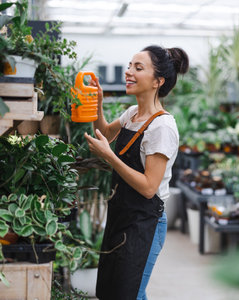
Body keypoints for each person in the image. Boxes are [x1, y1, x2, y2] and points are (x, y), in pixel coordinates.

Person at [84, 45, 189, 299]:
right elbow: (106, 134)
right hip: (123, 216)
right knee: (112, 291)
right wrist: (98, 105)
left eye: (138, 68)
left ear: (158, 81)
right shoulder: (133, 114)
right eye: (130, 66)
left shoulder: (162, 127)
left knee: (129, 293)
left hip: (146, 222)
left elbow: (148, 186)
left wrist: (110, 157)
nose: (128, 72)